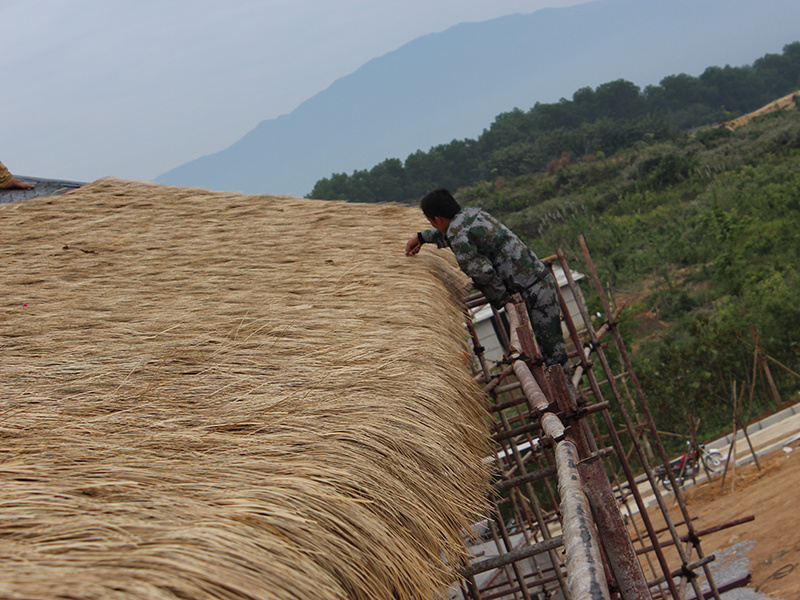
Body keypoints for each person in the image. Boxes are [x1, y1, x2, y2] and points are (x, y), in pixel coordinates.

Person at [405, 188, 568, 370]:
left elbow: (482, 273)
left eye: (431, 222)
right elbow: (450, 234)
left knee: (554, 356)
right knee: (549, 349)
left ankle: (567, 396)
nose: (433, 226)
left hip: (533, 289)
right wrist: (421, 237)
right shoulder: (472, 214)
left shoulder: (457, 235)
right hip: (538, 281)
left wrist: (503, 299)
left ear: (437, 219)